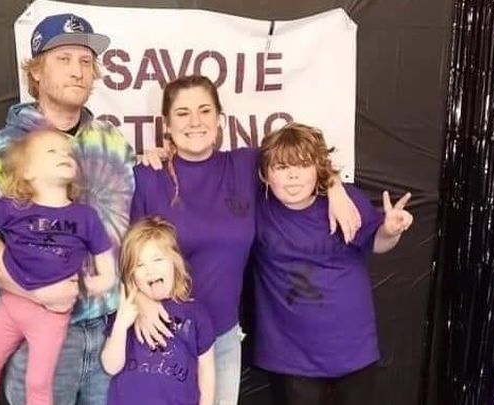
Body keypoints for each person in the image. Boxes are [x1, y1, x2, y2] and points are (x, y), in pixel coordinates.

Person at [130, 75, 362, 404]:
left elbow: (300, 157)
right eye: (182, 113)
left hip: (222, 337)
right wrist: (141, 303)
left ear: (220, 120)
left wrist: (334, 186)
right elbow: (127, 256)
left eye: (205, 110)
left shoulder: (245, 165)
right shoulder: (146, 176)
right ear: (166, 125)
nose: (195, 121)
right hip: (161, 332)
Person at [0, 13, 134, 405]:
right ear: (36, 71)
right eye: (63, 59)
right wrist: (38, 292)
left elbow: (132, 226)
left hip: (109, 329)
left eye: (85, 61)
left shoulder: (113, 142)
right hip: (35, 329)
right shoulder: (3, 148)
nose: (77, 71)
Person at [252, 123, 413, 405]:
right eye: (282, 167)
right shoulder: (258, 208)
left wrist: (390, 230)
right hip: (291, 356)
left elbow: (377, 243)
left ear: (317, 168)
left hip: (352, 349)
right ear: (266, 174)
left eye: (303, 165)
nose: (292, 175)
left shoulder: (347, 200)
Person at [0, 130, 116, 405]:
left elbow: (108, 274)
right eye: (51, 151)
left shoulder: (86, 216)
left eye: (67, 152)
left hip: (51, 317)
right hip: (10, 307)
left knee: (38, 383)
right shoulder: (14, 207)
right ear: (28, 171)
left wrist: (82, 287)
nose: (64, 155)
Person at [101, 216, 215, 405]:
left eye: (157, 259)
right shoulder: (126, 310)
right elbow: (110, 367)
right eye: (139, 265)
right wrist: (120, 324)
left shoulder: (196, 314)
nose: (150, 270)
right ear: (132, 276)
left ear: (175, 262)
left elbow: (206, 373)